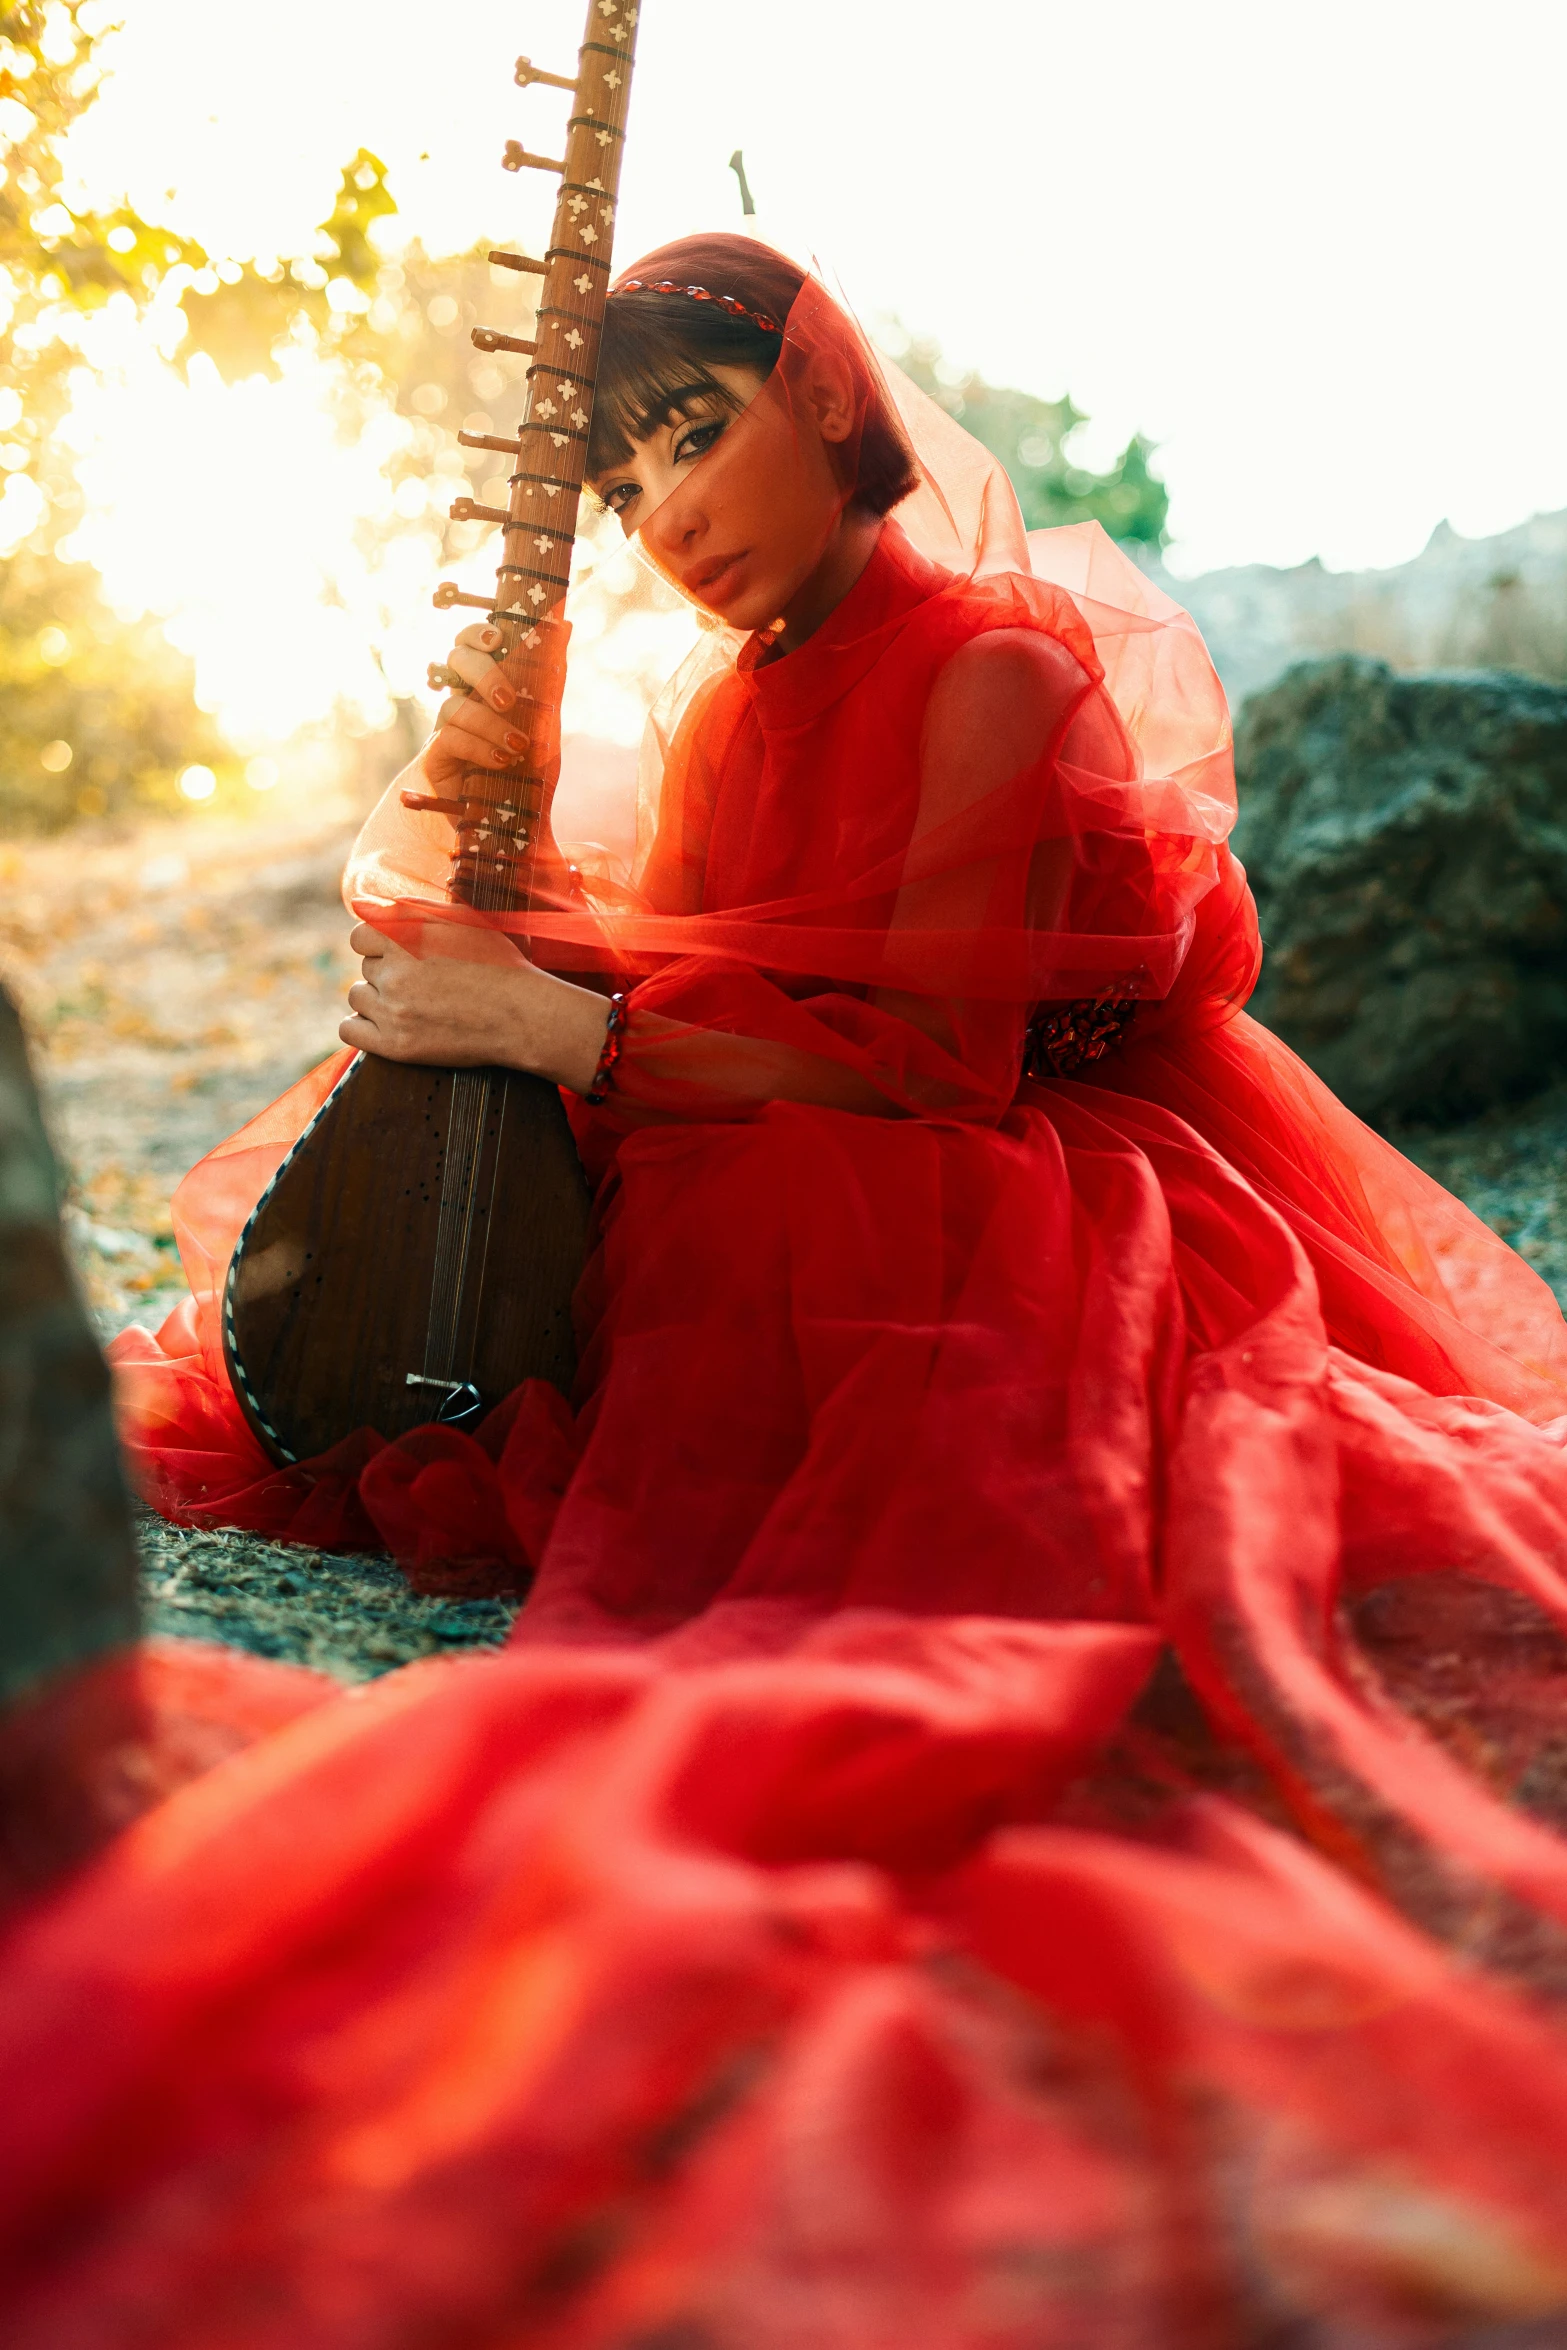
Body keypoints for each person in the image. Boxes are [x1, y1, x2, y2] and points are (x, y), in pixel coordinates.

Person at [11, 234, 1567, 2342]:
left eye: (691, 429)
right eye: (624, 478)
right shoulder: (721, 709)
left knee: (793, 1222)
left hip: (1007, 1166)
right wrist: (503, 852)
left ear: (827, 392)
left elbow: (923, 1067)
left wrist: (570, 1040)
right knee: (570, 1200)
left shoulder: (992, 665)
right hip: (790, 1128)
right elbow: (691, 965)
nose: (665, 515)